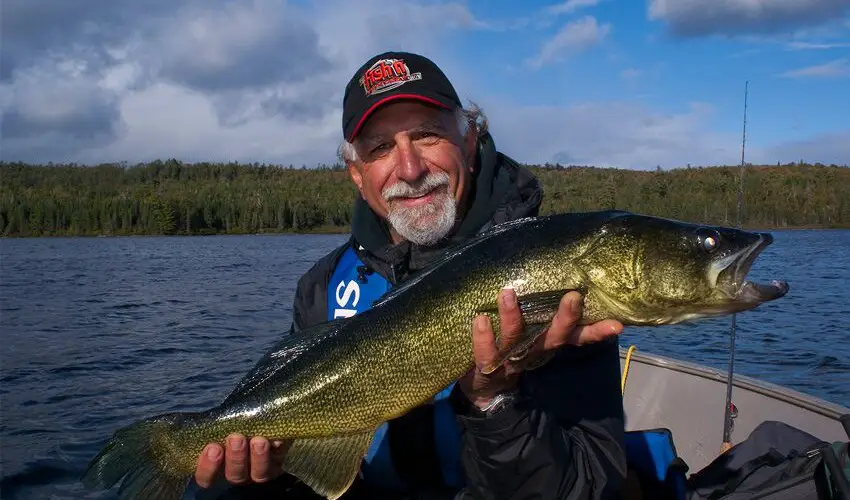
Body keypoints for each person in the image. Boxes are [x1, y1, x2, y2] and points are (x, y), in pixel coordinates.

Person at [192, 51, 628, 500]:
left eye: (426, 134)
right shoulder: (322, 288)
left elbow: (590, 487)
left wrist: (494, 400)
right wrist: (273, 466)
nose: (410, 168)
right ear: (357, 175)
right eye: (380, 148)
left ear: (470, 141)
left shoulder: (555, 271)